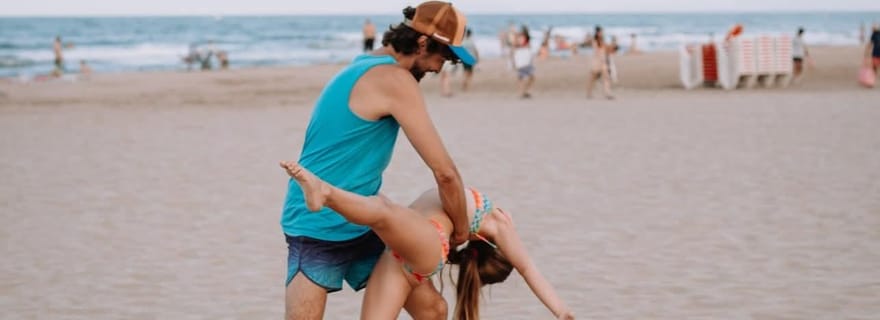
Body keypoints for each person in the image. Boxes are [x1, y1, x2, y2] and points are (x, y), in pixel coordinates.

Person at [280, 2, 477, 320]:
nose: (441, 68)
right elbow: (445, 173)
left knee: (433, 310)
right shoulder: (396, 80)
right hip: (316, 223)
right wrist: (462, 231)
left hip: (364, 222)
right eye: (445, 57)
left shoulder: (363, 64)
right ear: (423, 43)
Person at [279, 161, 576, 320]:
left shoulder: (497, 224)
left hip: (428, 245)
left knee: (383, 211)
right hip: (400, 262)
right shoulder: (475, 228)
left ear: (496, 249)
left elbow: (528, 269)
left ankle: (328, 194)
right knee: (384, 213)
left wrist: (561, 310)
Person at [586, 32, 614, 99]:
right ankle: (589, 93)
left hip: (603, 64)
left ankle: (607, 93)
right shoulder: (595, 43)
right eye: (600, 36)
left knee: (606, 79)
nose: (601, 37)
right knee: (593, 79)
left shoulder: (603, 44)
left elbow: (609, 52)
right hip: (596, 64)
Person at [512, 24, 535, 98]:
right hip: (522, 59)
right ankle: (523, 92)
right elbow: (516, 46)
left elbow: (516, 46)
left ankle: (524, 92)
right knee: (525, 77)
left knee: (524, 77)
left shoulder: (523, 38)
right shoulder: (521, 38)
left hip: (523, 59)